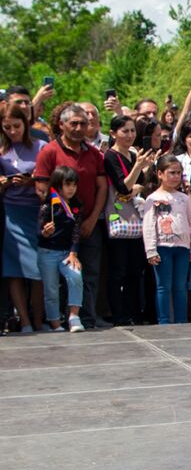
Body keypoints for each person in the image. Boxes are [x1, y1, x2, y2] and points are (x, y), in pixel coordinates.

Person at [32, 104, 109, 329]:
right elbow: (41, 188)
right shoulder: (49, 151)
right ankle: (59, 320)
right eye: (73, 123)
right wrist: (56, 217)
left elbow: (102, 186)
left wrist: (93, 217)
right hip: (59, 227)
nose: (78, 128)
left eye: (83, 123)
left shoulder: (94, 153)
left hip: (89, 222)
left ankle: (85, 318)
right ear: (61, 124)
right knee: (58, 279)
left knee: (90, 273)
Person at [103, 115, 156, 326]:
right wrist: (137, 169)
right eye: (125, 131)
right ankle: (118, 314)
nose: (130, 135)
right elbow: (123, 187)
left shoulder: (133, 154)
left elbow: (140, 184)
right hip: (118, 217)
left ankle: (134, 311)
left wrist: (142, 167)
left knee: (135, 270)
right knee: (119, 271)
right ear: (113, 133)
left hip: (136, 220)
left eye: (133, 131)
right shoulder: (110, 156)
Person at [1, 104, 45, 332]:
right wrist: (4, 183)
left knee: (37, 269)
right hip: (11, 213)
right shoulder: (2, 151)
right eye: (7, 127)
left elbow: (51, 179)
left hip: (36, 212)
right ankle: (25, 321)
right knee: (14, 269)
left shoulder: (41, 146)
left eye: (16, 126)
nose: (12, 131)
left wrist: (32, 182)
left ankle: (38, 320)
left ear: (25, 124)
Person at [140, 155, 191, 325]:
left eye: (178, 173)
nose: (175, 177)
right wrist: (151, 250)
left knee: (180, 287)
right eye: (171, 173)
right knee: (163, 286)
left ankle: (181, 320)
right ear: (160, 174)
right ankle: (163, 320)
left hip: (182, 247)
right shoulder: (152, 198)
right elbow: (149, 226)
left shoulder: (184, 198)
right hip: (162, 247)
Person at [36, 166, 85, 332]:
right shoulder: (48, 205)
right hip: (47, 253)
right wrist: (45, 232)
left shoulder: (77, 205)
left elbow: (77, 231)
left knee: (76, 277)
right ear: (58, 185)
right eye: (67, 184)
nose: (71, 188)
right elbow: (38, 233)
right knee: (51, 290)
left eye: (74, 185)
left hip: (67, 253)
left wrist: (73, 253)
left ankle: (74, 316)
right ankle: (55, 323)